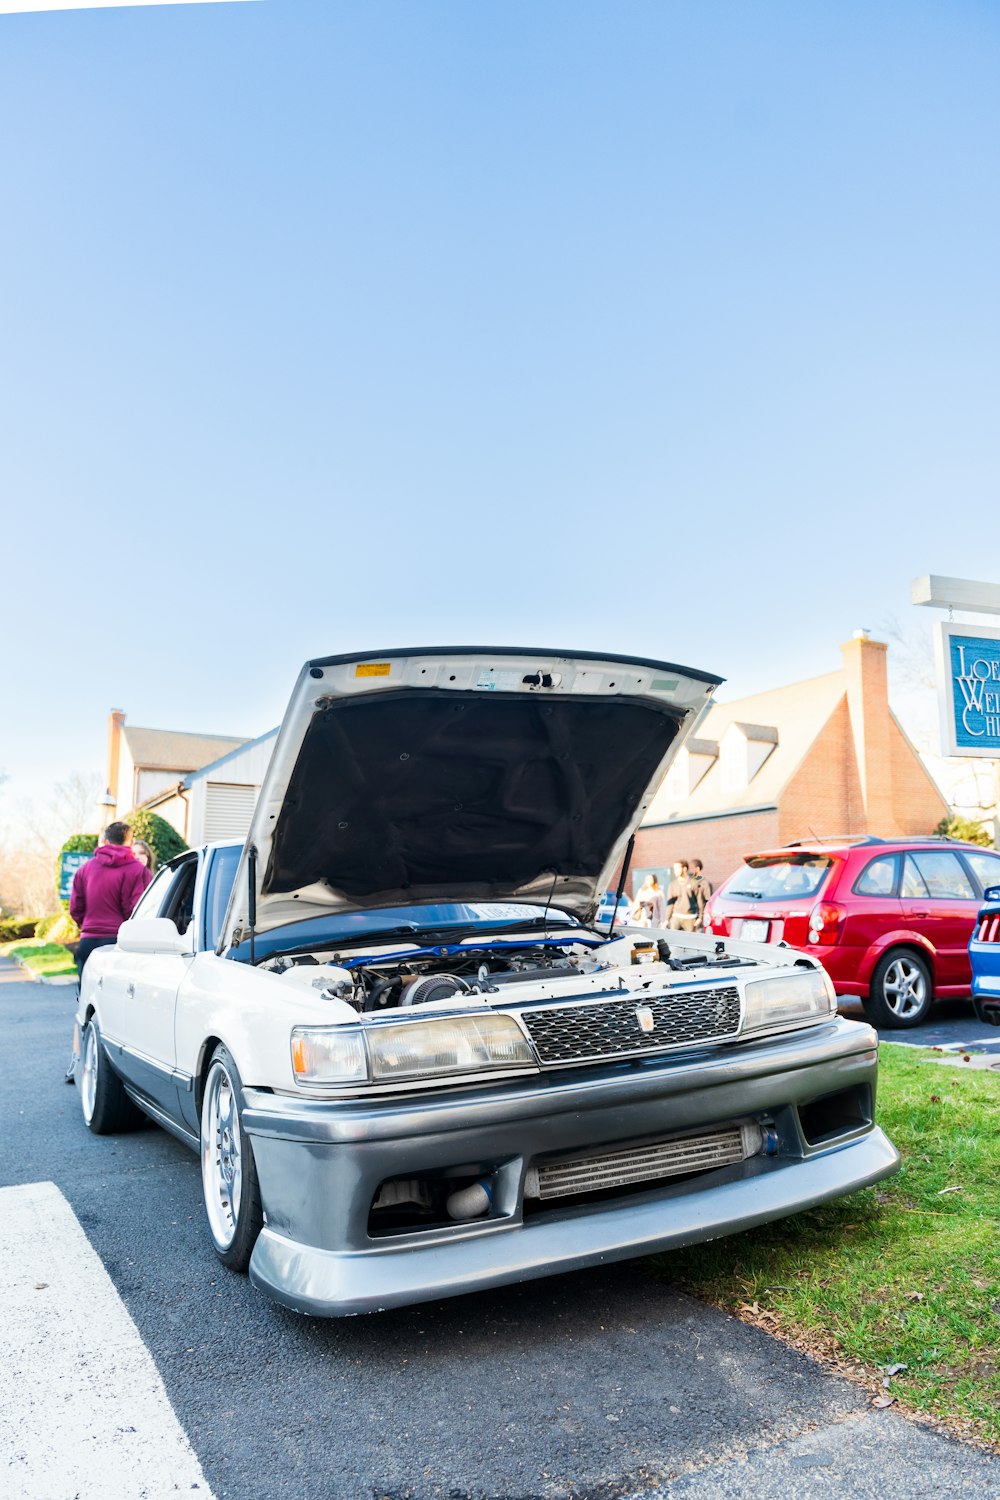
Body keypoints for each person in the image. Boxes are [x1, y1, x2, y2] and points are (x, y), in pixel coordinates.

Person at [65, 822, 153, 1081]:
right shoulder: (138, 871)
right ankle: (121, 1071)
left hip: (90, 941)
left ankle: (78, 1062)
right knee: (122, 1004)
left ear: (105, 839)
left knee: (85, 1003)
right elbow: (136, 910)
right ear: (130, 840)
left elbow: (75, 908)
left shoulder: (84, 870)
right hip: (121, 944)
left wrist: (88, 926)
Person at [666, 860, 699, 931]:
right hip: (676, 917)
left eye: (677, 868)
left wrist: (700, 918)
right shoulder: (672, 884)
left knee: (690, 941)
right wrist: (666, 919)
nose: (675, 871)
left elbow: (700, 900)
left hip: (690, 918)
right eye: (674, 869)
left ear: (684, 869)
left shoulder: (693, 882)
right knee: (673, 940)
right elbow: (670, 904)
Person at [688, 858, 713, 928]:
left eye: (691, 868)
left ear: (697, 869)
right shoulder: (689, 882)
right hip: (688, 917)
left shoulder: (704, 883)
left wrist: (700, 918)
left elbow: (707, 901)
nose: (689, 871)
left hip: (699, 918)